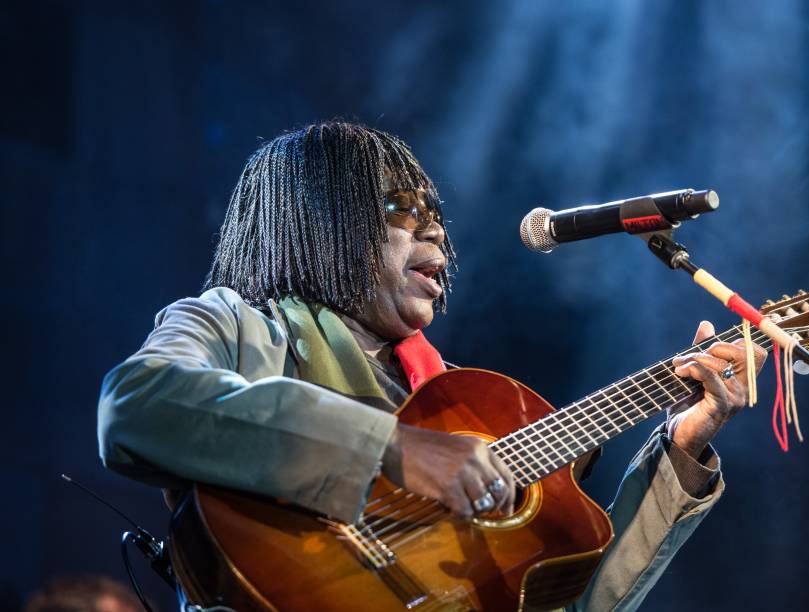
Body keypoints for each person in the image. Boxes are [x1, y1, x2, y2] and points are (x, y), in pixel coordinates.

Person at [97, 121, 765, 611]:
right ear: (321, 220)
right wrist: (391, 447)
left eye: (436, 217)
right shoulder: (238, 326)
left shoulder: (465, 405)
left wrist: (682, 444)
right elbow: (137, 406)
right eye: (401, 211)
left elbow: (576, 605)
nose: (437, 232)